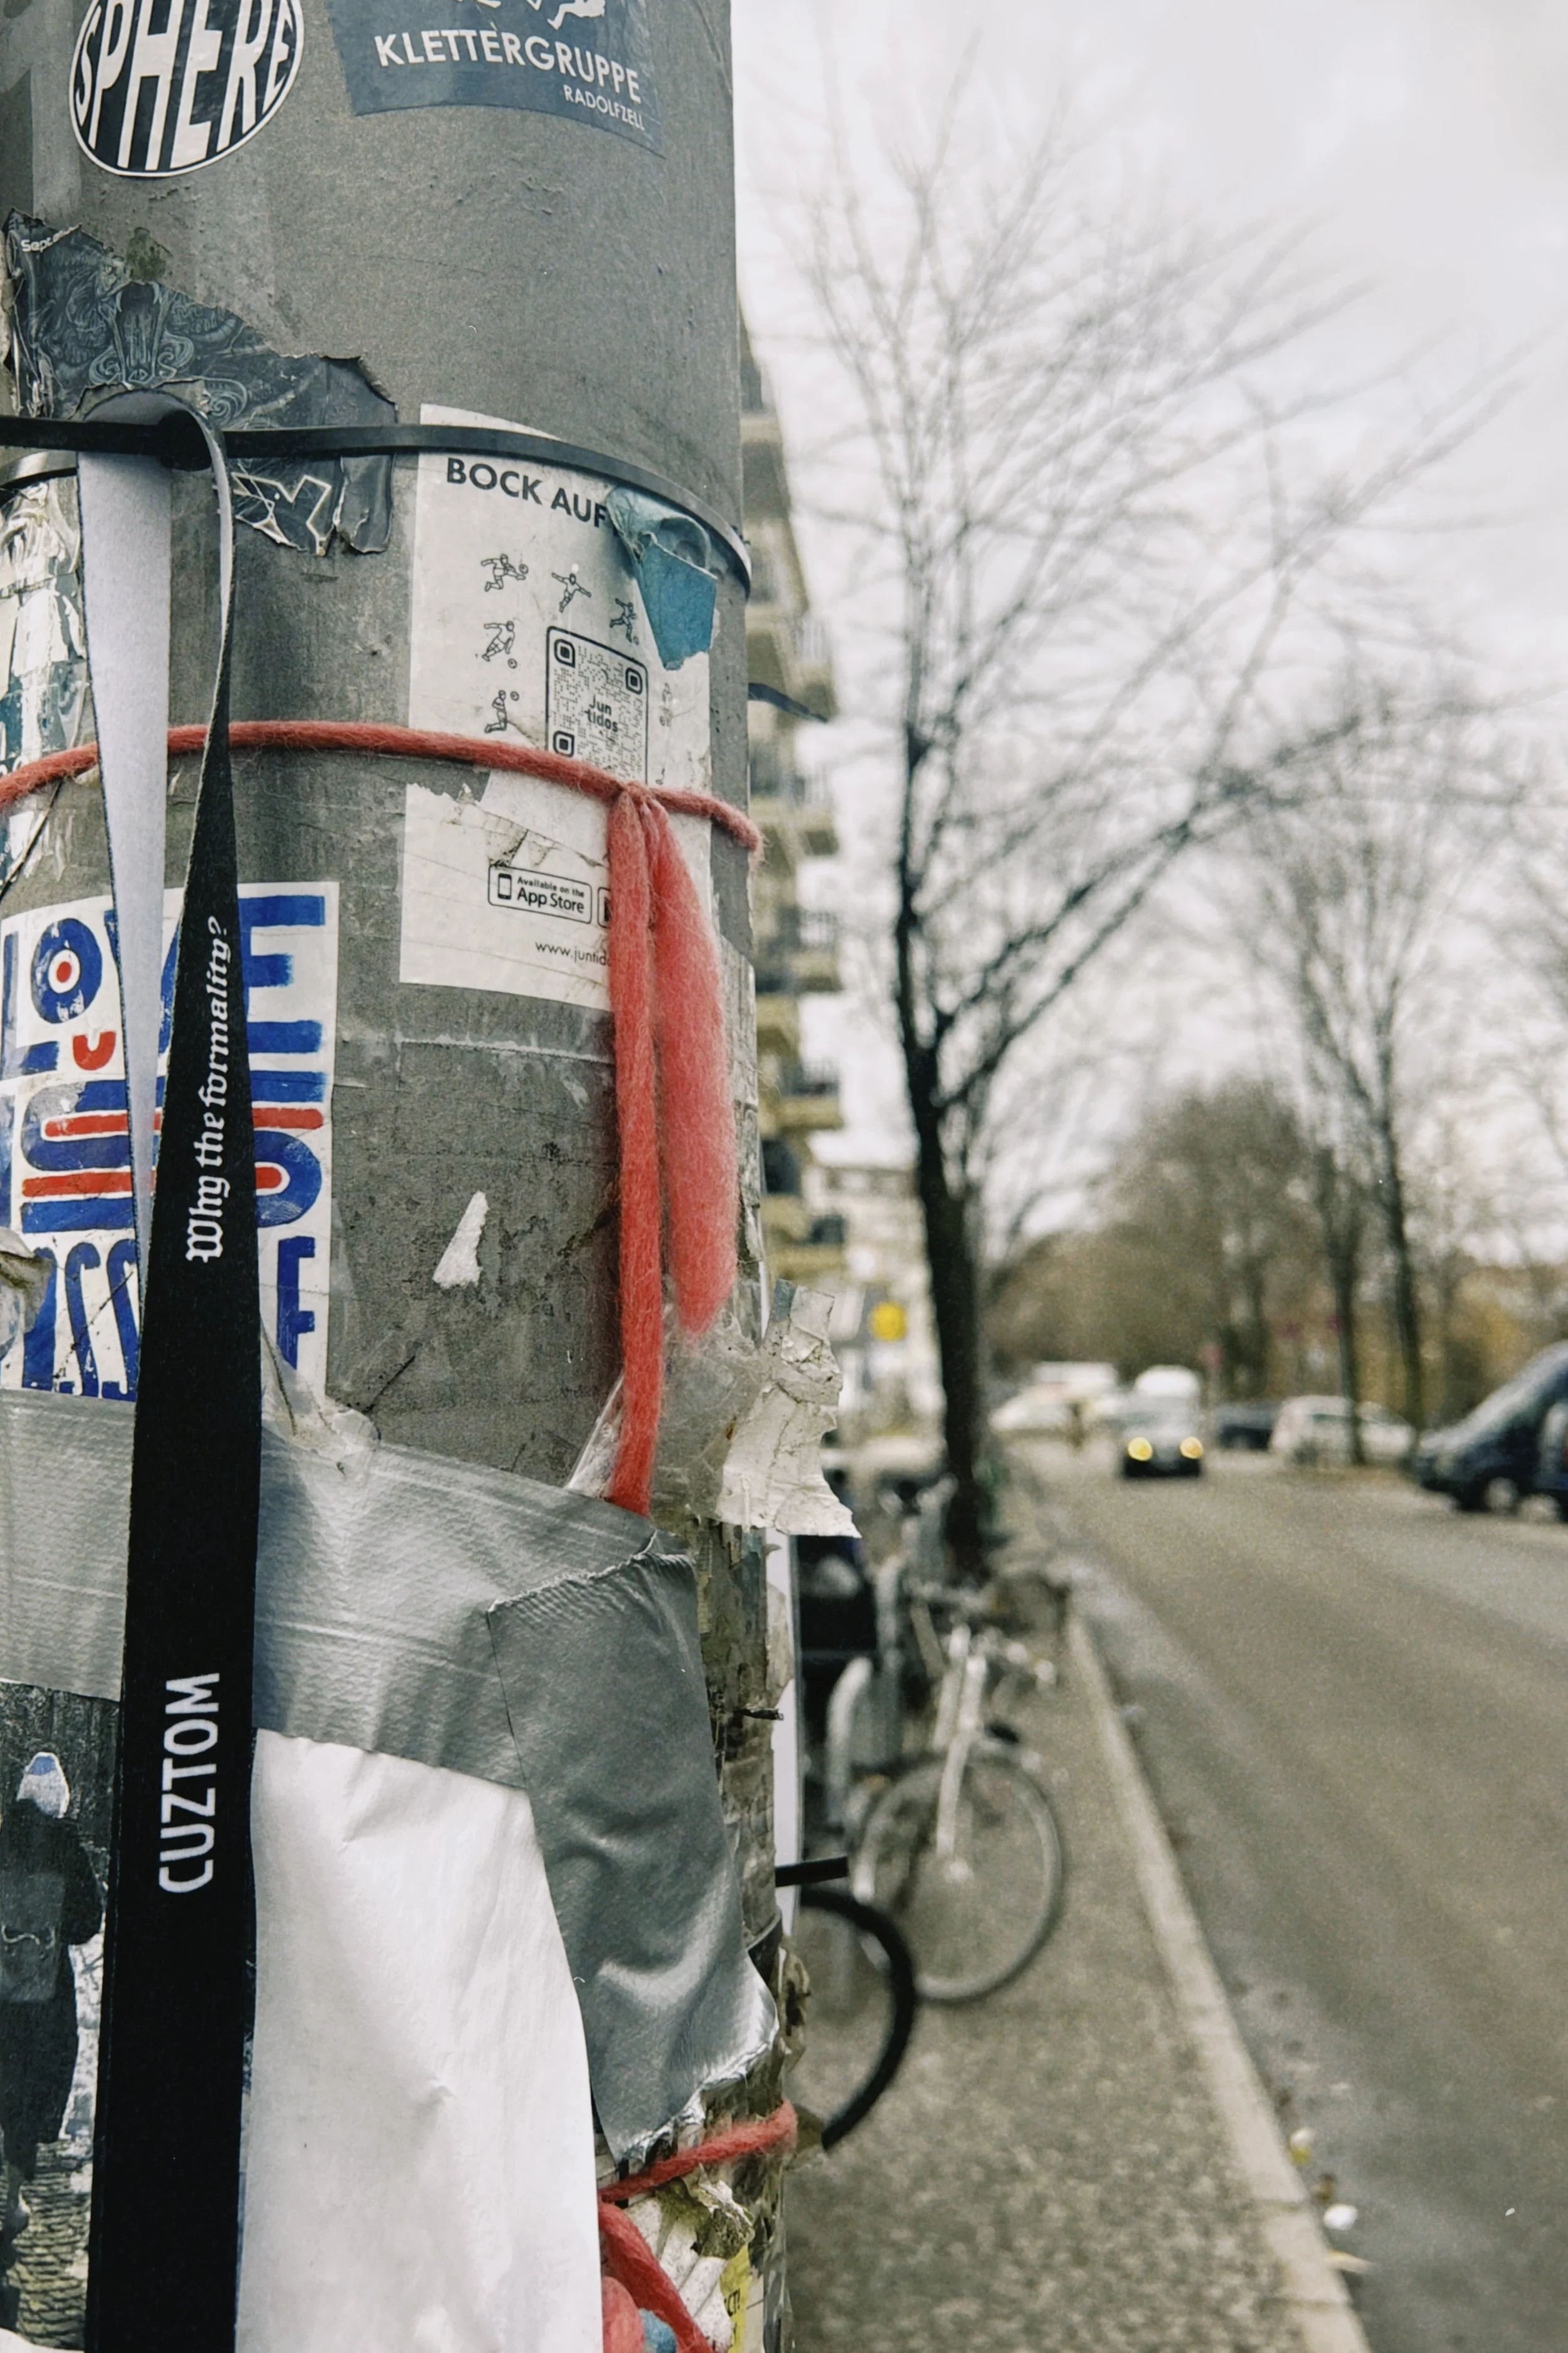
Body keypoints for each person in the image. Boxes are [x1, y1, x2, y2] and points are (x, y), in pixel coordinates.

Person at [0, 1755, 103, 2327]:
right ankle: (14, 2198)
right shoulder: (66, 1843)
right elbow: (89, 1920)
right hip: (46, 1995)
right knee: (33, 2090)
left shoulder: (1, 1832)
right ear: (59, 1798)